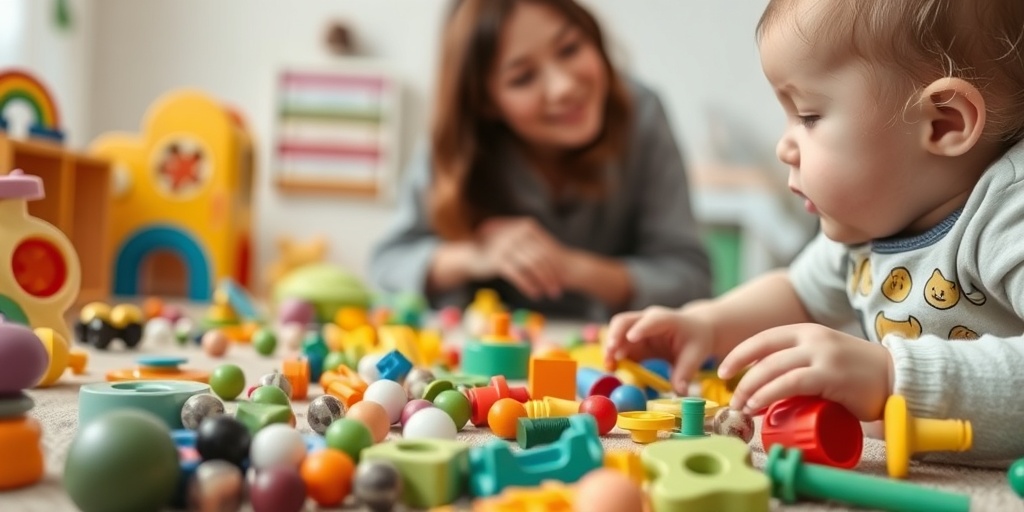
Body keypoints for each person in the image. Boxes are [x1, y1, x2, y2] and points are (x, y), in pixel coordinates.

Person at [606, 0, 1024, 462]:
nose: (783, 146)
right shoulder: (870, 222)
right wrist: (707, 323)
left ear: (944, 123)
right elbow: (798, 293)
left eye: (808, 116)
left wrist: (891, 377)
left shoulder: (1008, 215)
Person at [370, 0, 711, 321]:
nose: (563, 87)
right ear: (486, 102)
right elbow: (387, 265)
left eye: (570, 49)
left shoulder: (642, 114)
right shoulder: (459, 142)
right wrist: (475, 256)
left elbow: (691, 280)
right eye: (523, 78)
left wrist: (573, 269)